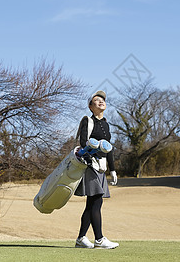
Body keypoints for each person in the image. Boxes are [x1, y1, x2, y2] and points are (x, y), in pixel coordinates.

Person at [74, 90, 119, 249]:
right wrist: (89, 159)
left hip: (101, 166)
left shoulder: (106, 123)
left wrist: (112, 170)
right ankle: (99, 239)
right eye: (96, 100)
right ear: (90, 106)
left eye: (102, 100)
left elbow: (109, 149)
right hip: (90, 164)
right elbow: (84, 142)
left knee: (92, 203)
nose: (101, 101)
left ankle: (81, 238)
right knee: (96, 199)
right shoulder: (87, 121)